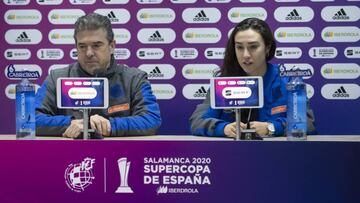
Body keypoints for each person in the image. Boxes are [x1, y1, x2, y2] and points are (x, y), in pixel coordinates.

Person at [35, 13, 161, 138]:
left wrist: (109, 125)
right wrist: (70, 123)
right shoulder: (57, 78)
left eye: (96, 45)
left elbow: (151, 119)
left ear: (112, 46)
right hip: (70, 155)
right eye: (82, 46)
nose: (89, 53)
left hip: (119, 155)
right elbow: (31, 119)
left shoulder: (134, 79)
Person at [190, 18, 316, 138]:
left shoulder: (288, 80)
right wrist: (224, 128)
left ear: (267, 48)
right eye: (239, 47)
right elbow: (197, 121)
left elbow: (307, 123)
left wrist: (271, 128)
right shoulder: (224, 82)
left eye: (253, 47)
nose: (245, 55)